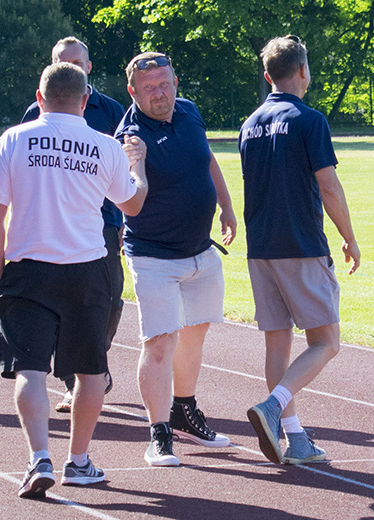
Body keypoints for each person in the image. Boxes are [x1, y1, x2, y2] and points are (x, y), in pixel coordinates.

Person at [0, 62, 148, 498]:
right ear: (86, 100)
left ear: (39, 98)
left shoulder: (14, 139)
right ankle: (78, 461)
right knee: (90, 372)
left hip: (28, 267)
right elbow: (132, 205)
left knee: (30, 369)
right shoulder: (105, 145)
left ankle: (39, 457)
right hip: (87, 268)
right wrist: (139, 167)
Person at [240, 35, 360, 465]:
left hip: (261, 247)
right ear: (304, 71)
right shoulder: (310, 120)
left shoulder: (250, 123)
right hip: (301, 244)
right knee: (326, 342)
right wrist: (349, 236)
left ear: (268, 75)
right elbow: (329, 186)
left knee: (278, 345)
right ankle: (273, 407)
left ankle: (296, 439)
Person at [114, 52, 237, 467]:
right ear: (132, 92)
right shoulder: (130, 136)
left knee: (195, 334)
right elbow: (131, 202)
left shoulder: (189, 112)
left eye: (164, 83)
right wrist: (136, 163)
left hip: (200, 250)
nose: (159, 93)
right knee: (160, 342)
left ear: (175, 82)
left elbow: (207, 158)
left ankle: (184, 409)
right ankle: (158, 433)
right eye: (148, 88)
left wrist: (226, 205)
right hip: (154, 255)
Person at [21, 36, 125, 414]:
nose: (71, 69)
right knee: (63, 304)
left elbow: (124, 167)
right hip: (52, 226)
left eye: (78, 63)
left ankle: (94, 358)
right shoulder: (36, 112)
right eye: (63, 63)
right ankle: (75, 378)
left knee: (111, 299)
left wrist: (124, 218)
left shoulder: (111, 110)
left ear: (89, 66)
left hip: (104, 221)